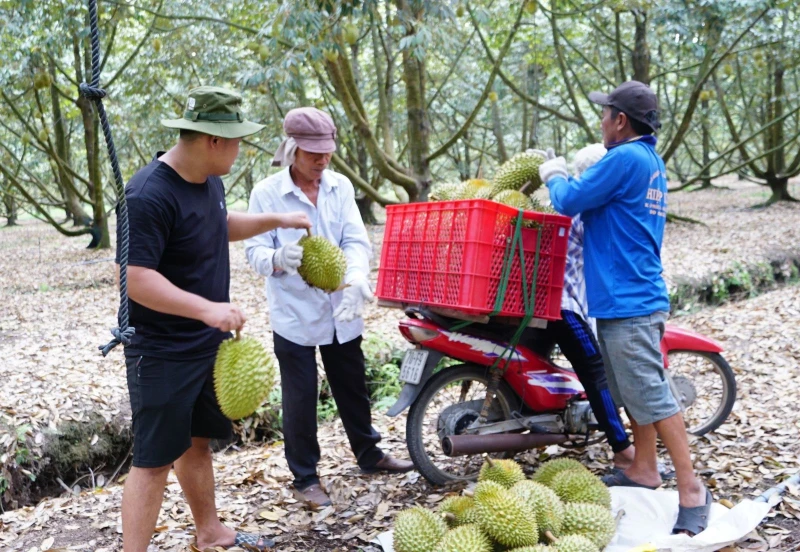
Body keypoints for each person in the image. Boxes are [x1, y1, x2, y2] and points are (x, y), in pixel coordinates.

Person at [117, 86, 311, 552]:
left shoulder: (209, 181)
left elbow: (217, 224)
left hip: (207, 344)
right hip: (161, 349)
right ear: (213, 140)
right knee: (152, 461)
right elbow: (137, 280)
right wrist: (208, 309)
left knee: (196, 443)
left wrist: (278, 219)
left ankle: (209, 530)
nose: (241, 150)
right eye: (238, 140)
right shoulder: (146, 194)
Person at [538, 81, 711, 536]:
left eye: (605, 115)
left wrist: (554, 174)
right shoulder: (649, 161)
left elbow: (569, 199)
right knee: (631, 391)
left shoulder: (625, 158)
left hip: (631, 300)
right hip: (624, 299)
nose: (600, 123)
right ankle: (644, 469)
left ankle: (692, 489)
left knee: (652, 394)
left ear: (620, 120)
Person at [244, 107, 414, 509]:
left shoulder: (338, 187)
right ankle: (305, 477)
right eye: (312, 154)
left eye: (327, 153)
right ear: (291, 149)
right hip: (294, 314)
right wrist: (279, 258)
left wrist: (356, 280)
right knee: (300, 397)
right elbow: (253, 252)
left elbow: (356, 241)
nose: (321, 161)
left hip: (342, 308)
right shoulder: (266, 193)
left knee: (352, 384)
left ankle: (369, 454)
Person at [523, 143, 636, 471]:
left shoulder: (564, 201)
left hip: (545, 300)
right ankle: (622, 448)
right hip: (564, 306)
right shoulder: (588, 210)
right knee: (594, 370)